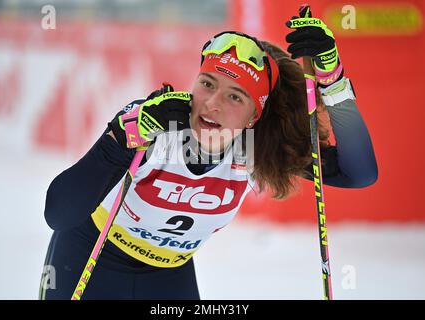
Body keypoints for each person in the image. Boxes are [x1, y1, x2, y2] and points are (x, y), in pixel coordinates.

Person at [39, 8, 378, 300]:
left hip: (168, 276)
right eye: (208, 84)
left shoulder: (256, 145)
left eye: (235, 97)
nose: (212, 104)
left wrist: (333, 82)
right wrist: (119, 140)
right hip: (90, 258)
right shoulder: (157, 125)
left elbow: (359, 173)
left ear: (254, 115)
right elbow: (59, 214)